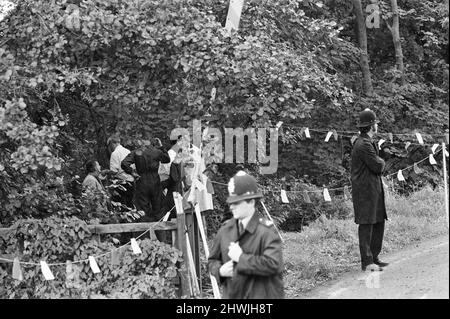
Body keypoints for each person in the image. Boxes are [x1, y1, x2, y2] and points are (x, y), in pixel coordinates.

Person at [207, 170, 284, 299]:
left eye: (236, 202)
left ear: (251, 202)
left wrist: (241, 258)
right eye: (231, 202)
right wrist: (219, 271)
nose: (231, 207)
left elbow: (274, 265)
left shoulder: (266, 231)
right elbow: (212, 261)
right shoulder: (225, 230)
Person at [351, 108, 389, 272]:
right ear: (371, 126)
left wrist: (379, 162)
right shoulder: (363, 144)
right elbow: (377, 165)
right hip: (365, 190)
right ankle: (367, 262)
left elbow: (376, 165)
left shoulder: (368, 141)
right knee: (367, 224)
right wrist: (381, 162)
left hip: (373, 188)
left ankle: (374, 257)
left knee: (378, 221)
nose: (377, 127)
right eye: (376, 124)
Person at [121, 137, 170, 221]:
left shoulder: (136, 152)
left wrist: (132, 172)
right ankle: (160, 231)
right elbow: (167, 159)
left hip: (142, 182)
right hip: (155, 182)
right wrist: (161, 146)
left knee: (143, 211)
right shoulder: (157, 152)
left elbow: (124, 163)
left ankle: (145, 231)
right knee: (158, 210)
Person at [107, 135, 134, 207]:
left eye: (109, 146)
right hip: (131, 182)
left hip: (121, 183)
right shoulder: (128, 151)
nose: (109, 148)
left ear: (112, 143)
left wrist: (106, 172)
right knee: (129, 204)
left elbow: (114, 171)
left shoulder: (115, 153)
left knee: (120, 205)